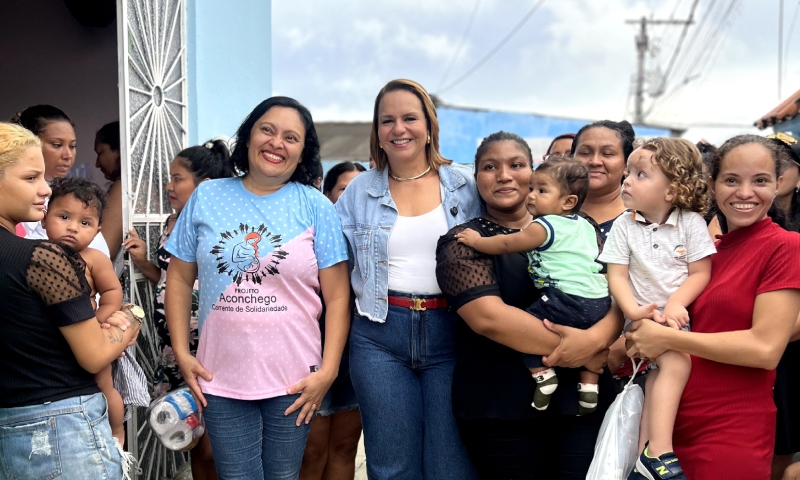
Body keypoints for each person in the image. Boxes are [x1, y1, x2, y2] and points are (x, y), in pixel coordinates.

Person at [164, 97, 350, 479]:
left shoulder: (316, 206)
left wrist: (328, 371)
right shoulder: (207, 197)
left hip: (295, 379)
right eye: (267, 130)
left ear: (303, 151)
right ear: (248, 136)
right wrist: (182, 352)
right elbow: (180, 279)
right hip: (220, 376)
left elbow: (337, 296)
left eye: (291, 137)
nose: (276, 143)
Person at [435, 131, 623, 479]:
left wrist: (598, 340)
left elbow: (616, 295)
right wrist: (587, 349)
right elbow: (489, 319)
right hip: (501, 408)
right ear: (476, 179)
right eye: (490, 167)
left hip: (581, 406)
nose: (504, 175)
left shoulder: (582, 228)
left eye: (516, 165)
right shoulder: (464, 242)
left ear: (534, 173)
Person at [625, 134, 800, 480]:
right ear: (712, 184)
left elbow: (765, 348)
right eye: (731, 180)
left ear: (778, 184)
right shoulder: (703, 251)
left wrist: (668, 340)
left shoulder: (785, 246)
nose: (745, 193)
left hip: (731, 431)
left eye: (760, 181)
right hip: (666, 430)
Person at [335, 79, 481, 480]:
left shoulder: (467, 185)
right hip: (379, 336)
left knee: (450, 467)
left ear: (429, 126)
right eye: (387, 121)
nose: (399, 128)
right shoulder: (358, 192)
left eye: (409, 118)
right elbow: (330, 268)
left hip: (453, 332)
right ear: (377, 133)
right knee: (391, 467)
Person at [0, 122, 141, 478]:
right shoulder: (41, 258)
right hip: (60, 431)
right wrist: (131, 318)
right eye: (31, 178)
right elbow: (94, 353)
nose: (45, 189)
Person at [595, 138, 716, 479]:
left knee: (659, 374)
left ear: (671, 190)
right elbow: (615, 274)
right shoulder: (624, 225)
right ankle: (660, 450)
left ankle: (643, 456)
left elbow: (700, 271)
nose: (627, 180)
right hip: (641, 318)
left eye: (641, 174)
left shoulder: (690, 222)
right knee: (676, 361)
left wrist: (677, 303)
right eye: (628, 173)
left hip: (673, 318)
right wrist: (635, 312)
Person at [454, 157, 610, 415]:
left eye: (542, 190)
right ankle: (589, 386)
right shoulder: (584, 225)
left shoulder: (544, 225)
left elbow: (505, 244)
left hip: (565, 298)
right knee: (585, 332)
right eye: (532, 189)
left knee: (527, 325)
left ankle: (542, 374)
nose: (532, 196)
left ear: (568, 201)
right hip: (598, 301)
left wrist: (477, 241)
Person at [123, 139, 232, 480]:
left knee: (216, 446)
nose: (169, 186)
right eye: (170, 178)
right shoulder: (171, 224)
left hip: (209, 350)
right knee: (191, 438)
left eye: (178, 178)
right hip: (174, 352)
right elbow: (171, 280)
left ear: (205, 185)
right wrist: (144, 262)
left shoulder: (219, 225)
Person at [41, 177, 127, 445]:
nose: (72, 228)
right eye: (64, 216)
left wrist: (100, 320)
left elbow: (113, 293)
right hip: (54, 341)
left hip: (90, 334)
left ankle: (116, 432)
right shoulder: (37, 255)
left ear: (98, 230)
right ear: (44, 219)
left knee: (105, 386)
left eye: (85, 223)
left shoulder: (94, 258)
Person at [300, 160, 366, 480]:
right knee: (311, 453)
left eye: (361, 190)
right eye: (345, 189)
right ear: (326, 194)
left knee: (343, 449)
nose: (354, 197)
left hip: (359, 357)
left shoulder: (373, 241)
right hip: (314, 356)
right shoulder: (309, 238)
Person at [570, 120, 647, 384]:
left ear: (626, 164)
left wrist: (615, 352)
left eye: (608, 153)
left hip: (621, 366)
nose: (594, 161)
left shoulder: (645, 223)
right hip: (550, 361)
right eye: (585, 152)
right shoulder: (546, 218)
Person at [12, 105, 111, 257]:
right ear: (29, 144)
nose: (68, 155)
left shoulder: (77, 195)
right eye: (57, 145)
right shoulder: (13, 195)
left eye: (72, 146)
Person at [766, 132, 800, 480]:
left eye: (783, 163)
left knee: (785, 440)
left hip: (791, 348)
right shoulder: (727, 217)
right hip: (751, 341)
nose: (775, 169)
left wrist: (775, 334)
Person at [94, 121, 124, 258]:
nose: (97, 163)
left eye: (100, 153)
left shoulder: (122, 188)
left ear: (118, 150)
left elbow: (102, 250)